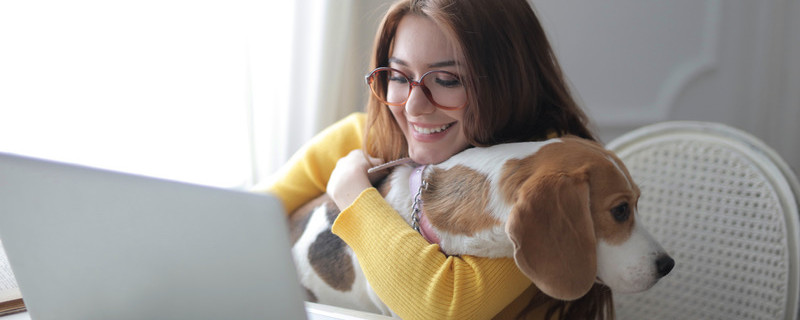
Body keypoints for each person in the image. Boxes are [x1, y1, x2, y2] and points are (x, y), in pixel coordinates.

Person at [259, 0, 612, 318]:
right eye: (398, 76)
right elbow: (239, 221)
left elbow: (443, 310)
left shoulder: (539, 180)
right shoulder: (357, 137)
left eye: (446, 80)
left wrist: (351, 193)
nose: (414, 106)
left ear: (509, 83)